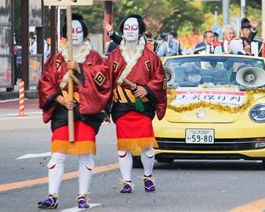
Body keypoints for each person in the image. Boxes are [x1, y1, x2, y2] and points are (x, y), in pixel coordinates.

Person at [37, 14, 111, 209]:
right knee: (57, 155)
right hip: (64, 110)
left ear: (84, 33)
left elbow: (103, 80)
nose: (75, 34)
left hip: (87, 109)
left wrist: (79, 68)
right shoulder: (57, 58)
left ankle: (83, 195)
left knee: (85, 155)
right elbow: (45, 82)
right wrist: (61, 98)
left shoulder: (94, 57)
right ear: (65, 36)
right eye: (71, 31)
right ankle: (52, 195)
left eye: (78, 30)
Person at [105, 14, 167, 193]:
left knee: (147, 146)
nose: (130, 31)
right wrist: (103, 108)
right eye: (127, 28)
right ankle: (127, 181)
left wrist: (147, 89)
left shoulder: (150, 57)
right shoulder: (114, 56)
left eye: (134, 28)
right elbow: (106, 82)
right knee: (123, 146)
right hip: (122, 105)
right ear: (122, 32)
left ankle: (148, 177)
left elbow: (160, 79)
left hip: (142, 104)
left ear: (140, 32)